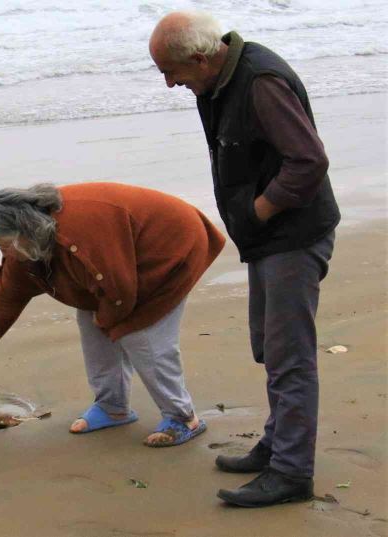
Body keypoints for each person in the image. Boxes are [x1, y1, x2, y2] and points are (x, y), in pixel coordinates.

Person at [149, 12, 339, 507]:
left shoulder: (259, 81)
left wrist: (257, 212)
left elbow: (309, 161)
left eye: (171, 70)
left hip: (292, 237)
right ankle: (278, 444)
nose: (170, 83)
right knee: (269, 348)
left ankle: (292, 473)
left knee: (289, 360)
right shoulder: (216, 83)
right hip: (269, 239)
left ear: (200, 57)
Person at [0, 182, 225, 447]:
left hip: (168, 244)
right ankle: (113, 408)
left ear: (25, 232)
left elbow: (120, 292)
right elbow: (6, 298)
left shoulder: (78, 236)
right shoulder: (23, 249)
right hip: (114, 265)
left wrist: (108, 320)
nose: (5, 253)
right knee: (93, 324)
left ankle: (182, 418)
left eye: (4, 245)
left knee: (140, 334)